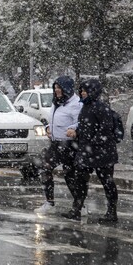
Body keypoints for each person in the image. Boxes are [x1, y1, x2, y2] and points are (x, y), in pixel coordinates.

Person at [65, 79, 119, 223]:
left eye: (85, 90)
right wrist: (77, 133)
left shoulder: (101, 108)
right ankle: (77, 209)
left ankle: (112, 212)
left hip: (102, 152)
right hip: (87, 151)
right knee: (80, 179)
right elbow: (85, 127)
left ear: (93, 91)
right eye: (81, 90)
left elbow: (105, 129)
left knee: (107, 181)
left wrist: (91, 143)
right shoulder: (86, 107)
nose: (82, 93)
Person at [35, 76, 82, 214]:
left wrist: (73, 129)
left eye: (59, 88)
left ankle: (80, 204)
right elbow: (54, 119)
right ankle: (49, 202)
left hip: (69, 144)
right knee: (44, 168)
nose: (57, 91)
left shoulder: (76, 104)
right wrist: (49, 127)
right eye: (55, 88)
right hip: (56, 143)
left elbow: (80, 122)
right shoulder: (57, 102)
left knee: (69, 175)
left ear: (67, 88)